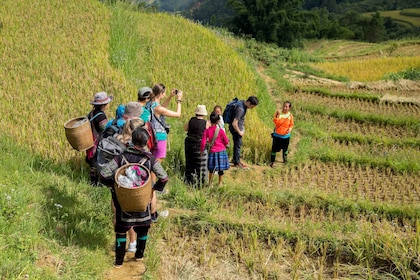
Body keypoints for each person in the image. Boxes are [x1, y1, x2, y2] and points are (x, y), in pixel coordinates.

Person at [99, 127, 169, 268]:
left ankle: (119, 261)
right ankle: (139, 255)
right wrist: (153, 189)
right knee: (143, 228)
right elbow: (164, 177)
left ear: (132, 140)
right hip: (142, 202)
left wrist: (114, 187)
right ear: (146, 142)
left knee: (121, 230)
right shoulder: (151, 159)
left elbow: (104, 174)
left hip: (124, 202)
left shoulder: (120, 157)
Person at [86, 91, 113, 185]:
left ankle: (92, 182)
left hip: (90, 140)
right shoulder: (101, 115)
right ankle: (98, 183)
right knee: (98, 161)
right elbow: (104, 128)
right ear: (104, 104)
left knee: (92, 163)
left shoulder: (91, 113)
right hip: (97, 141)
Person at [228, 96, 259, 169]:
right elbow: (234, 123)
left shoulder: (242, 103)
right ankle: (237, 163)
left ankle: (235, 159)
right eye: (252, 106)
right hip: (236, 130)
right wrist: (240, 132)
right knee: (238, 145)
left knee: (237, 145)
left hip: (236, 128)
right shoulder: (240, 109)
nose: (252, 108)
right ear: (248, 102)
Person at [201, 112, 230, 186]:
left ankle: (210, 183)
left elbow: (203, 142)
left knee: (211, 169)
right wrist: (226, 144)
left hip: (212, 151)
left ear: (210, 120)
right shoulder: (220, 130)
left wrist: (201, 151)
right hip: (221, 151)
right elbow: (226, 141)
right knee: (220, 168)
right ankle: (220, 182)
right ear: (218, 121)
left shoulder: (206, 131)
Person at [184, 105, 209, 186]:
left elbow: (185, 128)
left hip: (189, 143)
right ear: (204, 114)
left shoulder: (191, 120)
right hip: (199, 144)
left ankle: (188, 180)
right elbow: (208, 134)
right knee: (200, 164)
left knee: (189, 162)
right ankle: (200, 183)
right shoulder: (205, 123)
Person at [270, 101, 294, 167]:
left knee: (285, 149)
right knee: (274, 149)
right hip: (277, 135)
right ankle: (272, 162)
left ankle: (285, 160)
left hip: (286, 136)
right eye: (284, 106)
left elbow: (291, 124)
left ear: (289, 108)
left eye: (286, 107)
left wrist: (290, 129)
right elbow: (275, 122)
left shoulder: (290, 116)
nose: (285, 108)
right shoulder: (279, 113)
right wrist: (277, 116)